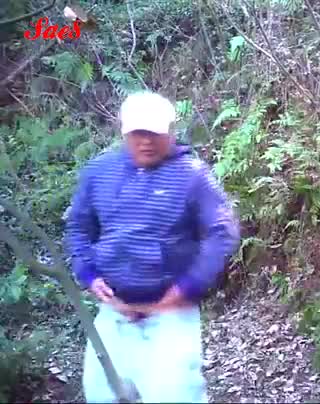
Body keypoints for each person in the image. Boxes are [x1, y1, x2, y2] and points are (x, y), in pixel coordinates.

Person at [64, 91, 241, 403]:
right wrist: (89, 275)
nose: (146, 141)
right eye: (138, 133)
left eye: (154, 133)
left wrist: (187, 287)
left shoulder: (192, 176)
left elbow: (221, 232)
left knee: (173, 394)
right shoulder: (99, 172)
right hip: (114, 309)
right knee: (102, 393)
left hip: (171, 312)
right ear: (124, 133)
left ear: (171, 131)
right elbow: (78, 227)